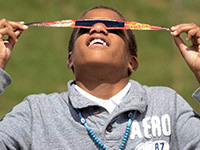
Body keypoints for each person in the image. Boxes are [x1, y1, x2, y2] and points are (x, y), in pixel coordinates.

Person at [0, 5, 200, 150]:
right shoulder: (36, 113)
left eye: (113, 27)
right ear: (70, 59)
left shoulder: (167, 104)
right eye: (84, 27)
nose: (97, 28)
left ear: (132, 62)